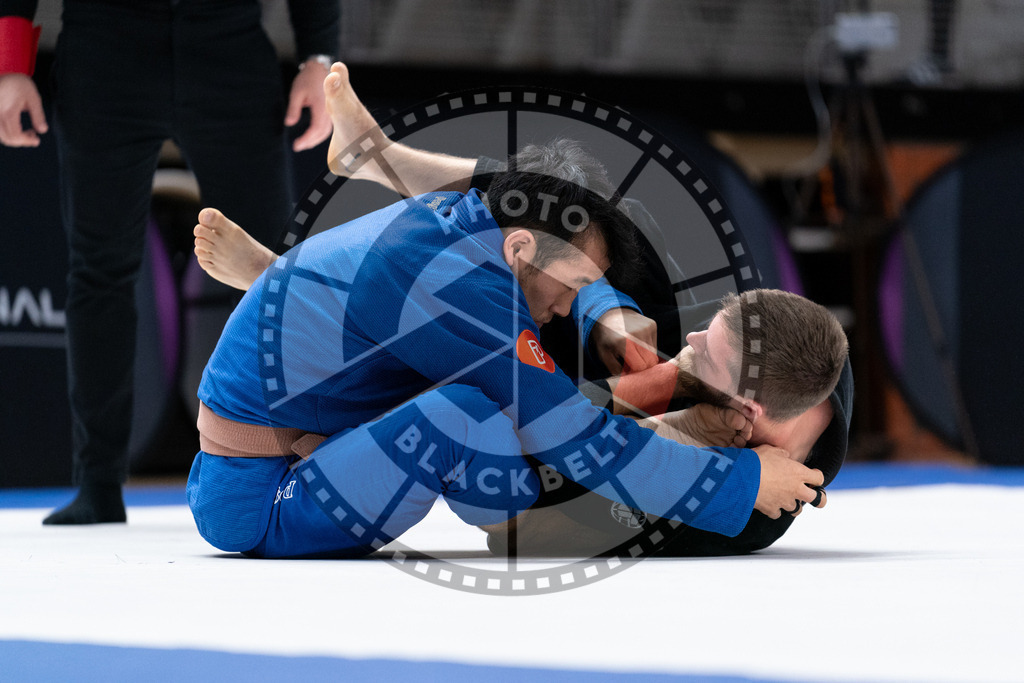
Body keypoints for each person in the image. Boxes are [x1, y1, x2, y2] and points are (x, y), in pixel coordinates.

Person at [193, 62, 852, 557]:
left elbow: (536, 229)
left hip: (313, 421)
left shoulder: (468, 227)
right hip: (262, 498)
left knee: (550, 227)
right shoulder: (473, 299)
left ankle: (336, 211)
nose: (564, 308)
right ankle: (527, 527)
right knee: (473, 415)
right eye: (571, 289)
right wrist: (739, 482)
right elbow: (583, 440)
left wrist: (606, 315)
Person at [0, 0, 341, 524]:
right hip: (105, 49)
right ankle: (98, 482)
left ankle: (291, 466)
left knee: (270, 272)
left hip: (228, 47)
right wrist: (10, 63)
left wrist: (318, 56)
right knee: (99, 270)